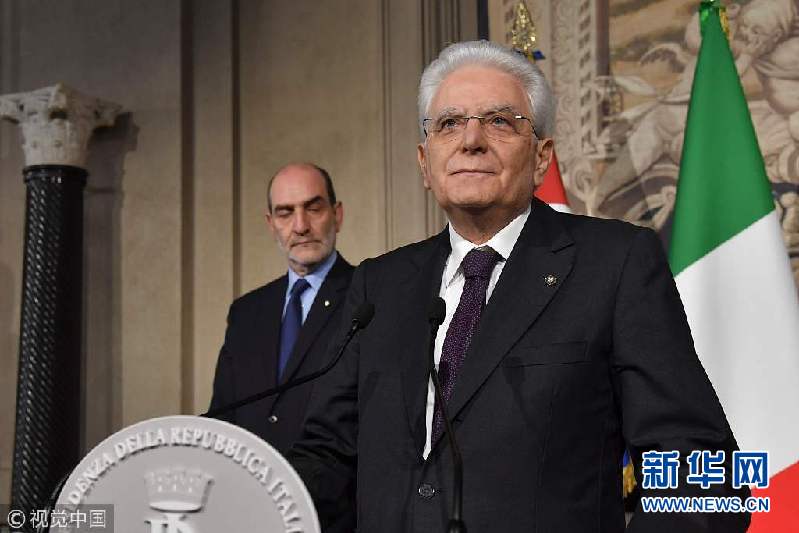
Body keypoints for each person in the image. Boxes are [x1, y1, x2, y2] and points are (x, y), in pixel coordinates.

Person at [288, 41, 751, 532]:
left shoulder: (614, 265)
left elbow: (707, 475)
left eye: (499, 121)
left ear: (541, 157)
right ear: (425, 162)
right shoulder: (379, 286)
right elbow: (326, 461)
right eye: (449, 123)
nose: (471, 140)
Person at [209, 163, 354, 456]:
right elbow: (221, 420)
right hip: (251, 480)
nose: (301, 226)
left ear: (336, 215)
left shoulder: (366, 296)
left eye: (313, 208)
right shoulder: (245, 312)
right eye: (285, 213)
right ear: (271, 224)